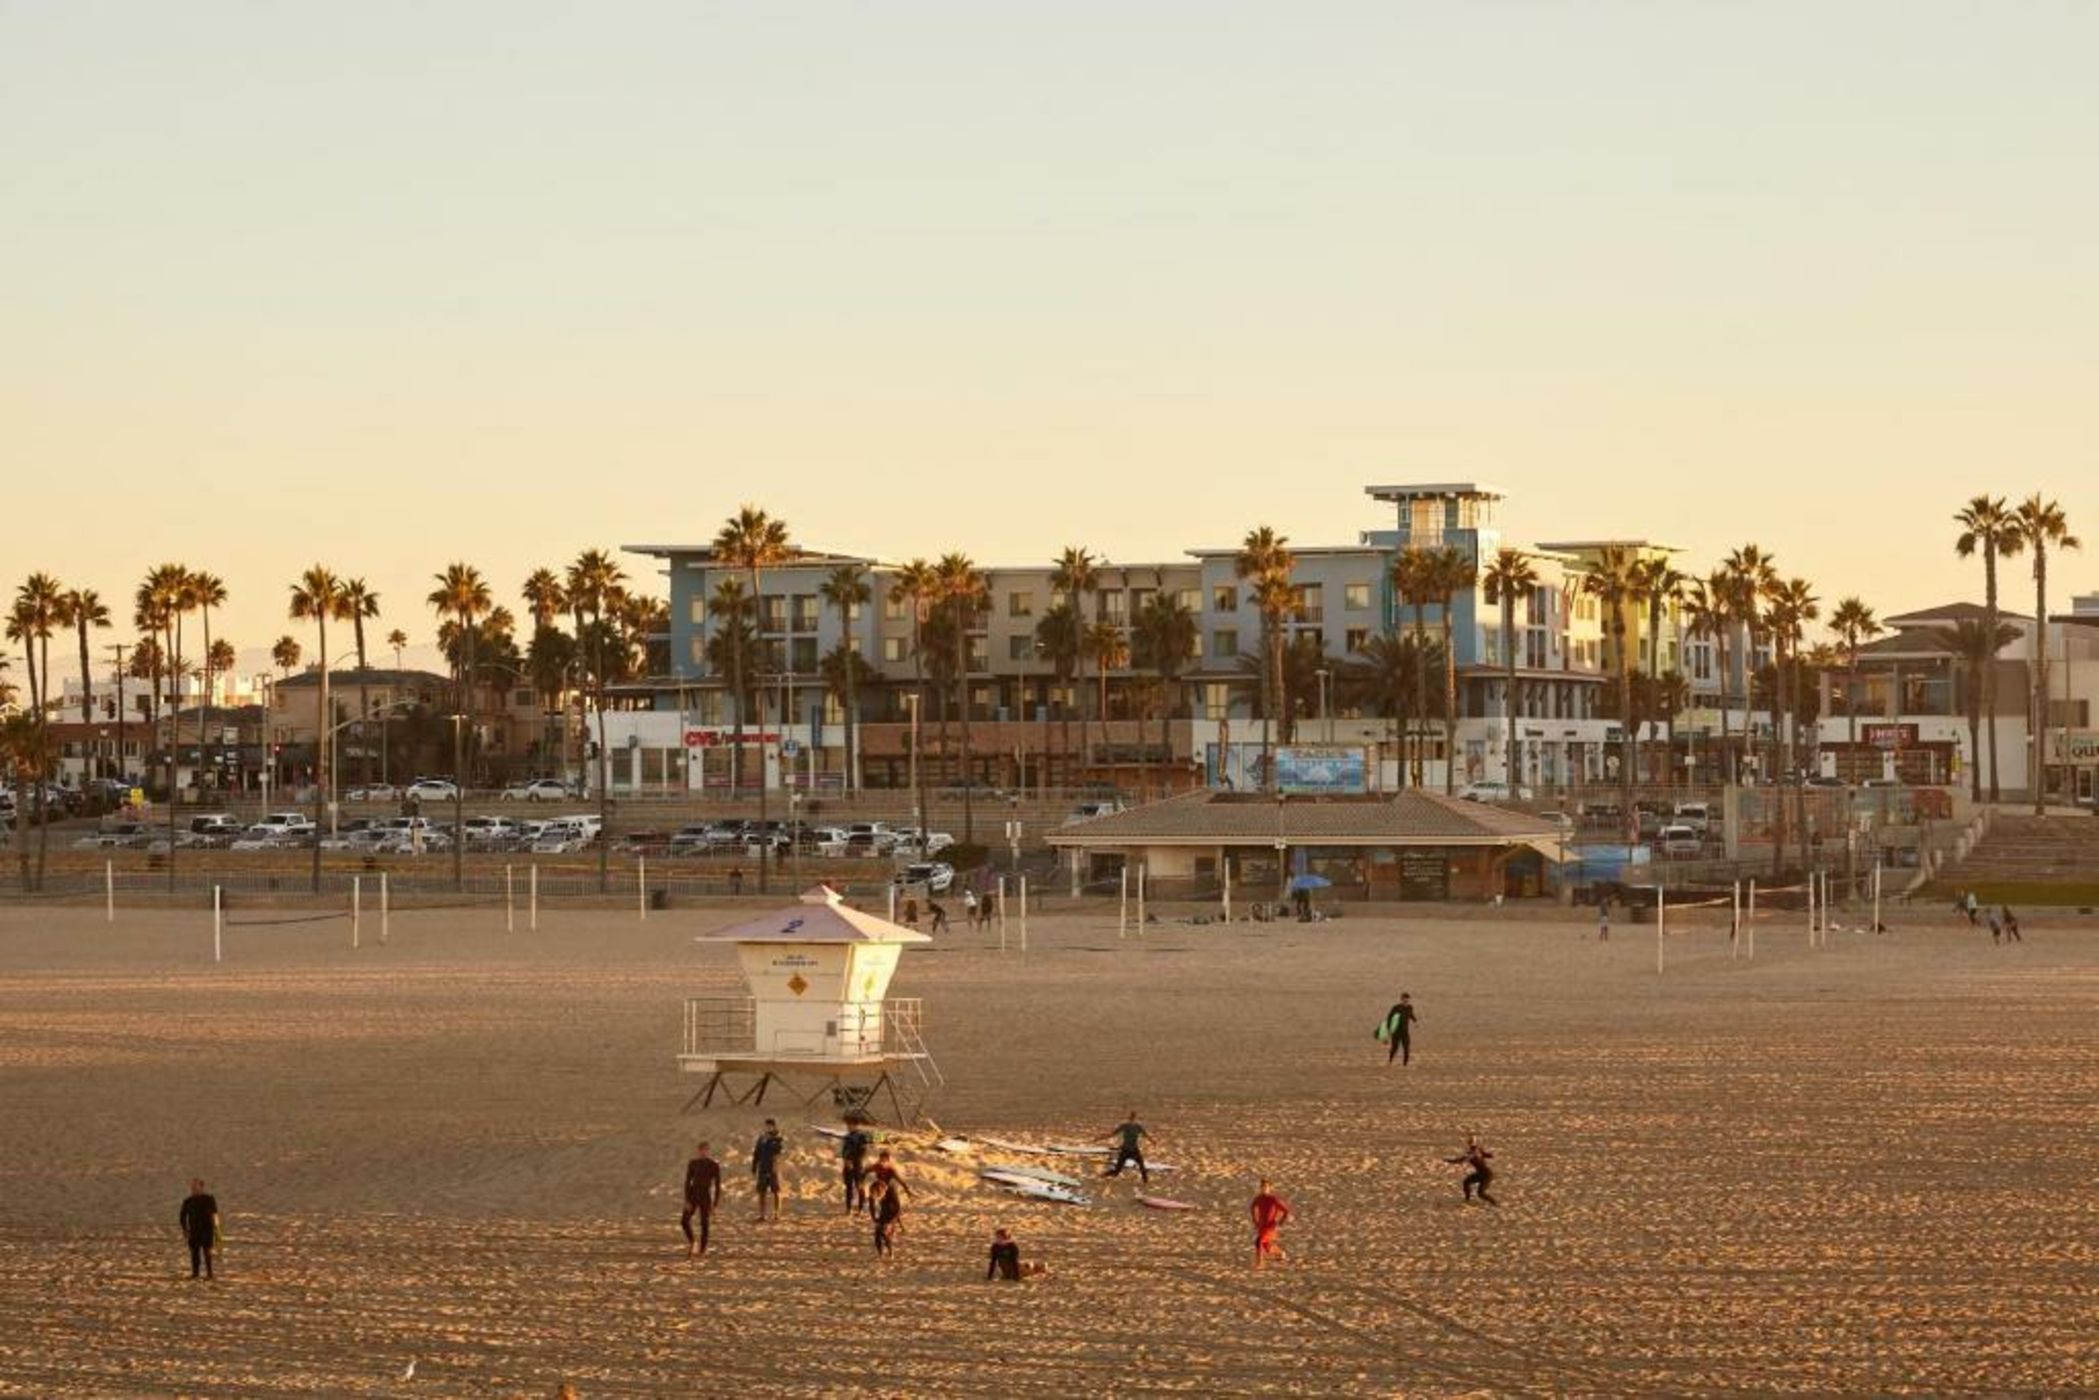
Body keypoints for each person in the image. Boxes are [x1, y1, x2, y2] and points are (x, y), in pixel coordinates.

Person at [681, 1141, 723, 1256]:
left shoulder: (713, 1165)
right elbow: (688, 1182)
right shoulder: (693, 1163)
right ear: (698, 1151)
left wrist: (715, 1205)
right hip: (693, 1194)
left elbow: (718, 1186)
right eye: (701, 1150)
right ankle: (693, 1242)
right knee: (684, 1221)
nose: (703, 1153)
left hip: (705, 1195)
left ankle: (702, 1249)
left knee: (704, 1223)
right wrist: (687, 1199)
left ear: (708, 1151)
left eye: (705, 1150)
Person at [179, 1178, 218, 1280]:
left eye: (196, 1186)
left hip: (207, 1229)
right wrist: (185, 1229)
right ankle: (195, 1274)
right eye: (192, 1187)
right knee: (194, 1253)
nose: (194, 1189)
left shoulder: (209, 1199)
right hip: (194, 1230)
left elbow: (214, 1214)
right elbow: (182, 1216)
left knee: (207, 1252)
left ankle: (209, 1274)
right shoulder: (188, 1201)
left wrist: (217, 1228)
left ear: (201, 1187)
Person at [1249, 1179, 1291, 1269]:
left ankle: (1259, 1263)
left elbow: (1286, 1211)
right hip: (1261, 1226)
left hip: (1270, 1227)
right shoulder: (1258, 1199)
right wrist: (1255, 1221)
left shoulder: (1274, 1199)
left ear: (1269, 1188)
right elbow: (1252, 1207)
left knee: (1259, 1241)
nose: (1264, 1189)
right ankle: (1280, 1253)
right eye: (1262, 1187)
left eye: (1266, 1187)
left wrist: (1280, 1222)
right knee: (1267, 1247)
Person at [1446, 1135, 1497, 1205]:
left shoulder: (1471, 1154)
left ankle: (1494, 1203)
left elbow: (1461, 1160)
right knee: (1467, 1183)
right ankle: (1468, 1199)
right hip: (1482, 1173)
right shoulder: (1479, 1150)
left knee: (1480, 1192)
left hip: (1485, 1175)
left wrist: (1449, 1161)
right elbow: (1488, 1155)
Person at [751, 1119, 786, 1221]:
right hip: (762, 1167)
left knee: (775, 1191)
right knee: (761, 1192)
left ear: (774, 1127)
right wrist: (754, 1166)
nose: (768, 1128)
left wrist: (770, 1140)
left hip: (773, 1168)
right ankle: (762, 1214)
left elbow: (777, 1150)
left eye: (770, 1126)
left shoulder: (777, 1138)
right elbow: (756, 1153)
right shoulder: (761, 1138)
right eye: (766, 1126)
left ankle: (776, 1214)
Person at [1103, 1110, 1151, 1183]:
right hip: (1126, 1150)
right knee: (1117, 1171)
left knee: (1142, 1167)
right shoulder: (1126, 1125)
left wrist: (1152, 1141)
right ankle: (1103, 1176)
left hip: (1133, 1150)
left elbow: (1146, 1135)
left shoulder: (1137, 1126)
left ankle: (1146, 1182)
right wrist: (1101, 1138)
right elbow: (1112, 1134)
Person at [839, 1122, 873, 1213]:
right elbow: (844, 1151)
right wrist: (846, 1161)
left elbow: (862, 1152)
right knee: (848, 1187)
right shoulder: (847, 1137)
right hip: (847, 1165)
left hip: (857, 1165)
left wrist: (852, 1162)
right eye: (848, 1125)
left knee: (859, 1186)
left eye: (850, 1125)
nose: (848, 1127)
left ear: (856, 1125)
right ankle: (848, 1208)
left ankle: (861, 1208)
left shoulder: (861, 1136)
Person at [1378, 992, 1419, 1066]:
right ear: (1401, 999)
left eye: (1407, 999)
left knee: (1406, 1049)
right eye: (1404, 999)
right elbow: (1390, 1017)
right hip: (1396, 1032)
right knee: (1394, 1048)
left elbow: (1411, 1015)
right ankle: (1390, 1061)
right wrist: (1388, 1028)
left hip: (1405, 1032)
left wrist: (1415, 1021)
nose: (1406, 1001)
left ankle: (1405, 1064)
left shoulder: (1410, 1007)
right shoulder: (1396, 1007)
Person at [868, 1178, 902, 1257]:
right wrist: (874, 1219)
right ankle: (880, 1254)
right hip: (883, 1214)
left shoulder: (892, 1192)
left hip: (892, 1214)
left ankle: (891, 1253)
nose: (877, 1196)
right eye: (875, 1193)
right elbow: (871, 1207)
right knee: (877, 1235)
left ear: (883, 1190)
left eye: (878, 1194)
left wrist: (891, 1223)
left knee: (885, 1233)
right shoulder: (873, 1193)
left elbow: (898, 1210)